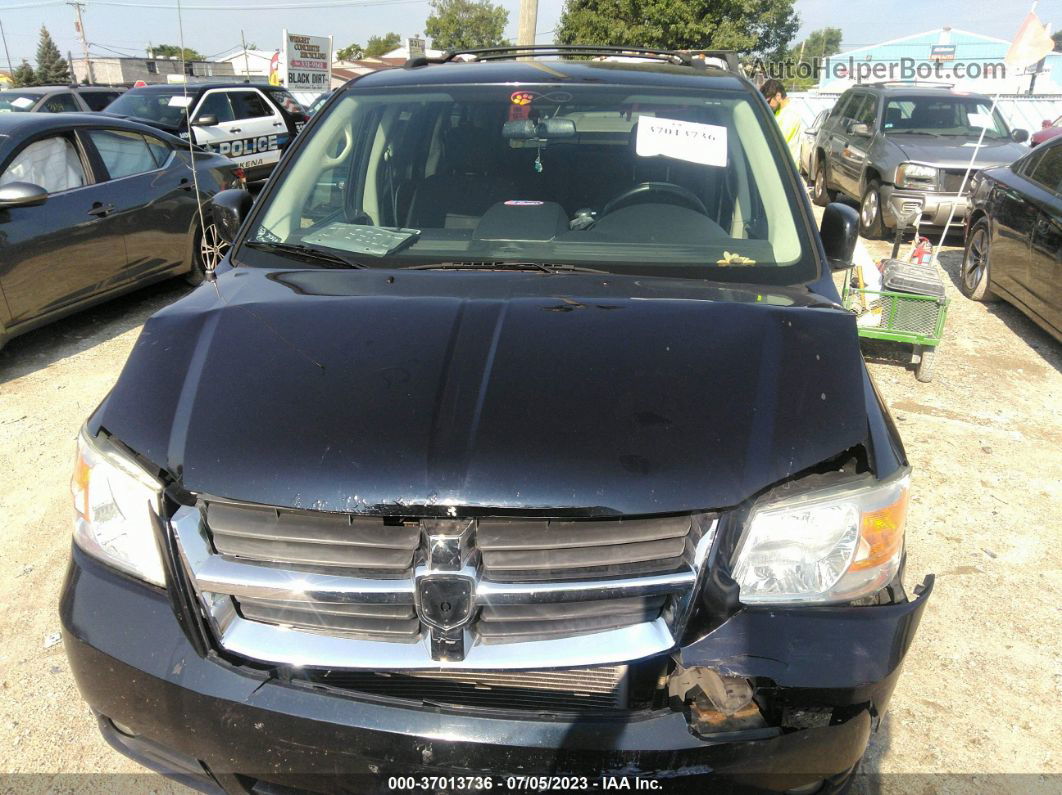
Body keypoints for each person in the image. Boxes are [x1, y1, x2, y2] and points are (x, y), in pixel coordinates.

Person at [760, 78, 802, 164]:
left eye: (768, 101)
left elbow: (777, 142)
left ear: (778, 96)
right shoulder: (779, 111)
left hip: (786, 168)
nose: (767, 104)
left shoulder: (791, 114)